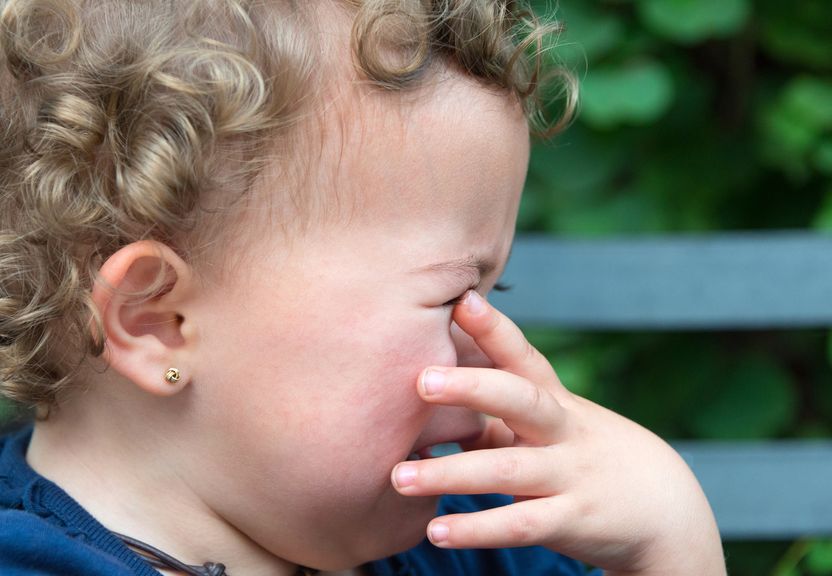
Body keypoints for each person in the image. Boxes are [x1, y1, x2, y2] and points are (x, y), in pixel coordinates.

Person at [0, 0, 726, 574]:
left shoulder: (485, 540)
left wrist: (672, 551)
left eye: (490, 297)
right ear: (157, 320)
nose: (490, 355)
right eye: (451, 300)